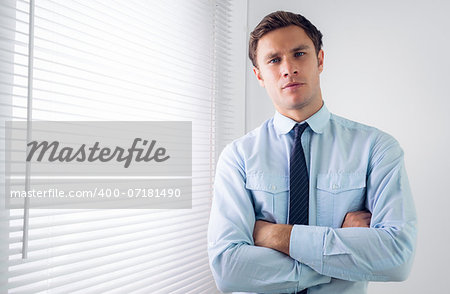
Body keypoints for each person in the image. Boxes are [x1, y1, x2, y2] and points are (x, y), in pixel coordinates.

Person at [207, 10, 417, 294]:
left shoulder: (376, 149)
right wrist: (340, 255)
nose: (288, 69)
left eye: (299, 54)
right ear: (259, 75)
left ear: (319, 60)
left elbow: (397, 258)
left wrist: (274, 235)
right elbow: (228, 270)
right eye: (274, 60)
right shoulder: (238, 158)